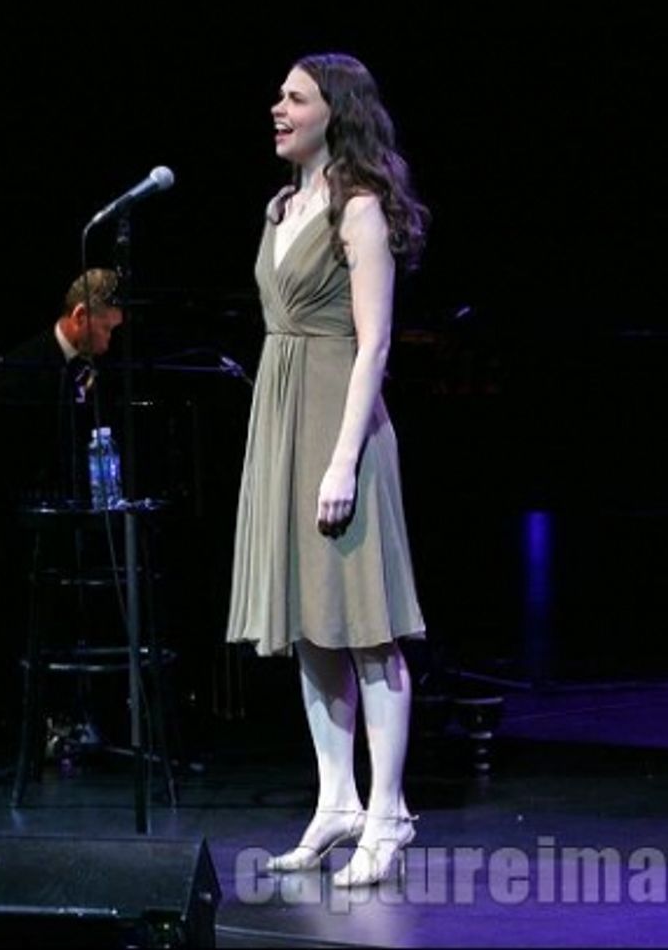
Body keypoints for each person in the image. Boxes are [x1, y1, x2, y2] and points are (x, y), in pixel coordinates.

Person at [226, 53, 430, 888]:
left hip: (341, 430)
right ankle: (336, 800)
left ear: (333, 112)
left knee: (368, 627)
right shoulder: (281, 207)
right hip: (280, 419)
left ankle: (389, 813)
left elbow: (374, 344)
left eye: (296, 97)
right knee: (310, 624)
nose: (278, 108)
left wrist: (343, 461)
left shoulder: (360, 207)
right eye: (278, 95)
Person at [0, 268, 125, 505]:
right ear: (80, 316)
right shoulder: (22, 368)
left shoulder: (104, 366)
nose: (109, 343)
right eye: (107, 329)